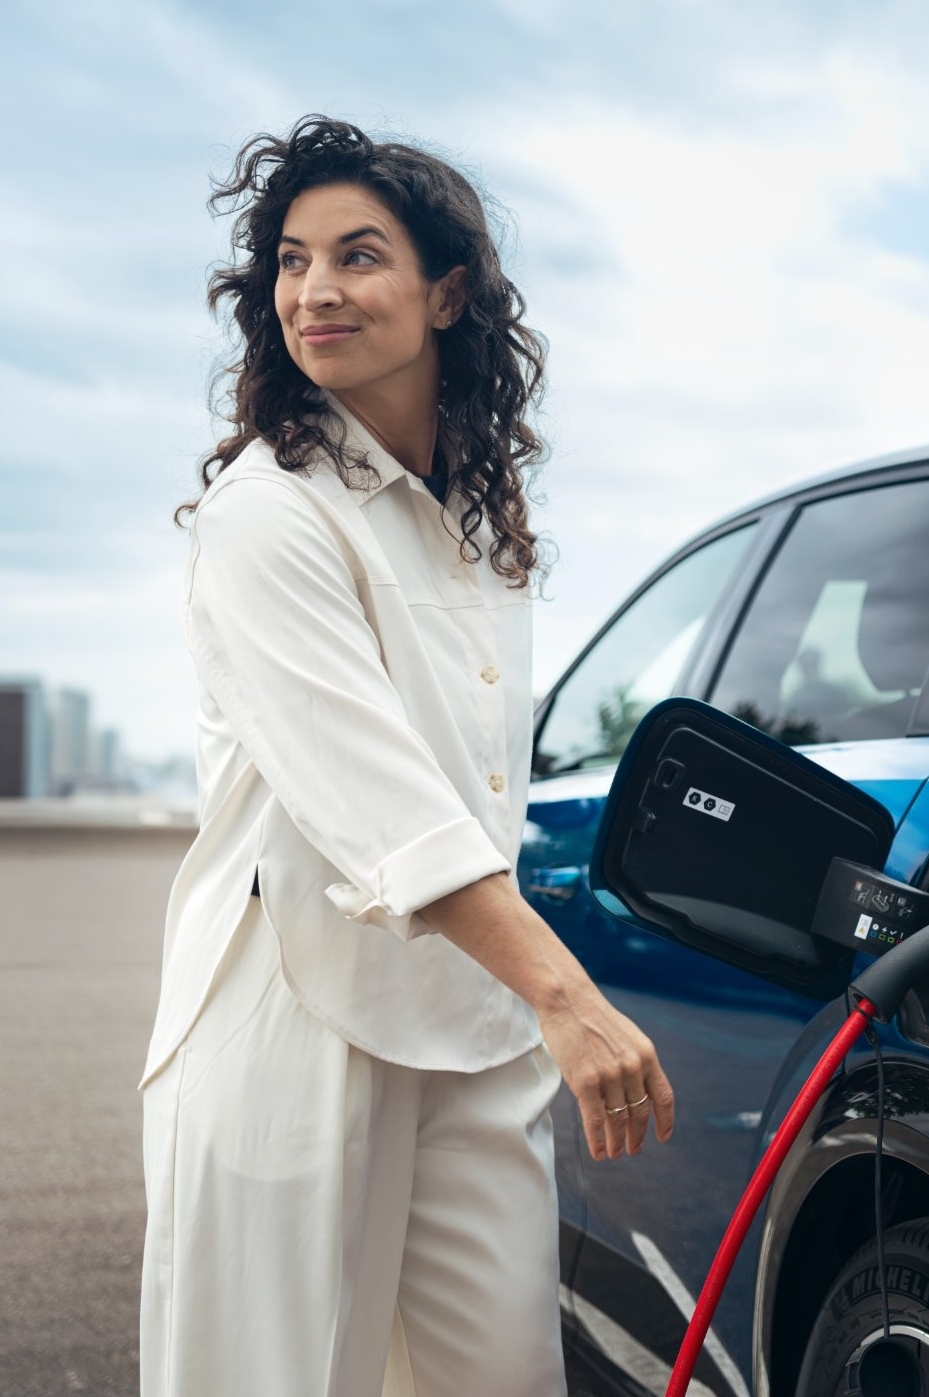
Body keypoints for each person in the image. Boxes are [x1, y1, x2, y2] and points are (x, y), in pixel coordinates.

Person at [139, 115, 674, 1397]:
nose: (313, 290)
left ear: (446, 293)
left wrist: (524, 1001)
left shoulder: (479, 529)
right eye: (289, 258)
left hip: (471, 1029)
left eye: (357, 256)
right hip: (298, 1024)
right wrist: (569, 995)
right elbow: (380, 803)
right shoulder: (264, 514)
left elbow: (479, 787)